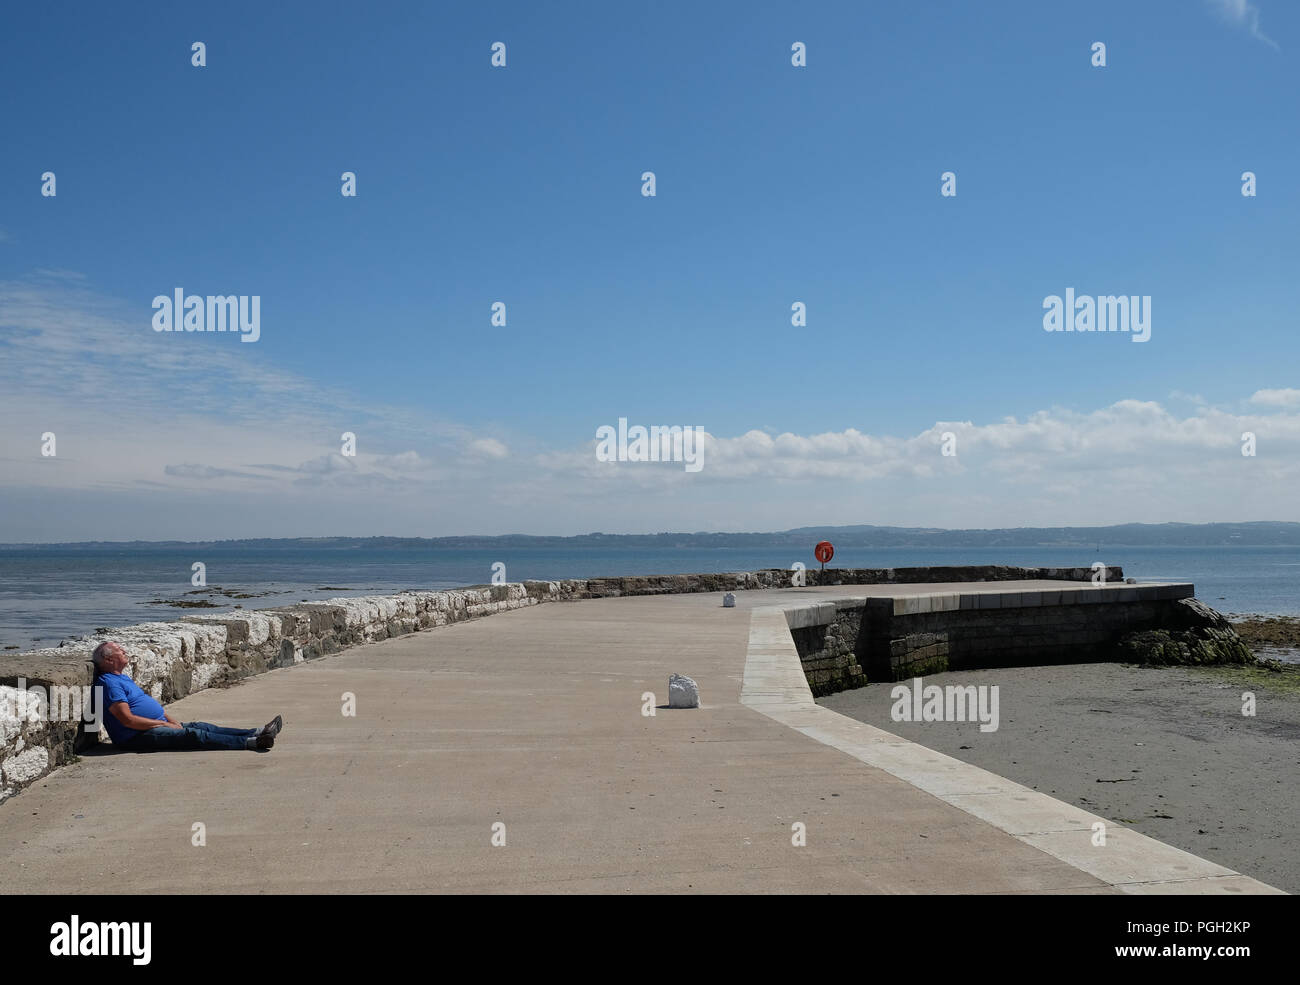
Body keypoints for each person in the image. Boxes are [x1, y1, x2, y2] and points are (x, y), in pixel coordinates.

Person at [92, 641, 283, 752]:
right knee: (194, 736)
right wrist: (165, 725)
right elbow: (127, 720)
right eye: (119, 650)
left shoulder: (121, 678)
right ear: (109, 660)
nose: (124, 651)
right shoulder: (109, 683)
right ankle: (252, 743)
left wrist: (172, 721)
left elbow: (147, 707)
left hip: (152, 726)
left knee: (202, 726)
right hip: (135, 737)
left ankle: (257, 731)